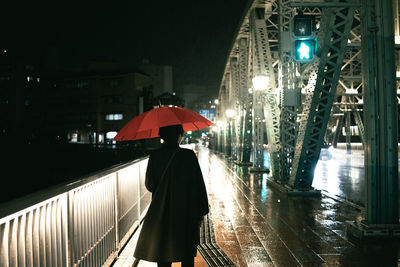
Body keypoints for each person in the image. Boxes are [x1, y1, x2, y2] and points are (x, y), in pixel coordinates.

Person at [134, 124, 209, 267]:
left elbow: (150, 185)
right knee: (187, 253)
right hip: (186, 211)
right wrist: (201, 210)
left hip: (162, 212)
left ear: (162, 136)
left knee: (162, 252)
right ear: (180, 136)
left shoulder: (155, 156)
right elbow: (198, 184)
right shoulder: (188, 156)